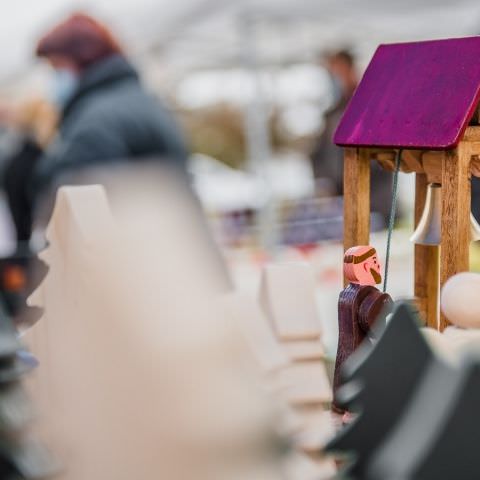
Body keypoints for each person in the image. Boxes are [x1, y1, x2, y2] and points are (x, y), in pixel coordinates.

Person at [32, 12, 188, 198]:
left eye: (56, 67)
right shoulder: (143, 101)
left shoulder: (97, 121)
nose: (54, 79)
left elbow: (76, 201)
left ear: (83, 60)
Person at [310, 50, 393, 226]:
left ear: (350, 70)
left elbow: (384, 156)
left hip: (376, 202)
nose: (334, 79)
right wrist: (325, 183)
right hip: (344, 202)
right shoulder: (331, 115)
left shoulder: (371, 108)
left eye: (337, 72)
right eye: (331, 74)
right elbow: (317, 154)